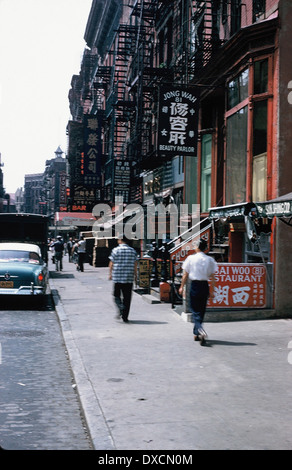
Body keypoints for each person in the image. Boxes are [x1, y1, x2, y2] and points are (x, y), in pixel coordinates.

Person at [178, 238, 217, 345]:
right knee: (201, 310)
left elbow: (185, 274)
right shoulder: (210, 260)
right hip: (204, 285)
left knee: (195, 310)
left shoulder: (190, 258)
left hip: (194, 285)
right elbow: (213, 276)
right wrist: (212, 290)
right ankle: (196, 333)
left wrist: (182, 286)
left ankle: (199, 329)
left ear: (197, 247)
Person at [108, 236, 138, 323]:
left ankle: (120, 306)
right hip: (128, 277)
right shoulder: (133, 251)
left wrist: (110, 274)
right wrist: (136, 276)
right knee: (127, 298)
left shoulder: (115, 250)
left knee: (116, 295)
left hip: (117, 276)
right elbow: (135, 264)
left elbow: (111, 263)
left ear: (120, 240)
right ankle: (125, 317)